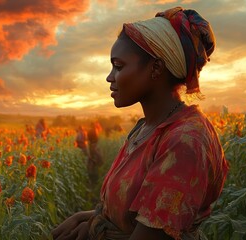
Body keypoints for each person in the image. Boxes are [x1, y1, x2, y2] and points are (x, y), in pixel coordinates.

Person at [52, 7, 229, 240]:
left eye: (119, 65)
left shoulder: (185, 141)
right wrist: (88, 218)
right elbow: (133, 212)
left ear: (155, 68)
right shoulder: (146, 128)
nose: (109, 77)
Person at [87, 121, 104, 187]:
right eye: (94, 125)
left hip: (92, 146)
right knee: (96, 161)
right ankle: (94, 179)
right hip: (93, 146)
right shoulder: (93, 131)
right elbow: (95, 140)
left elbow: (89, 140)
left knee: (92, 161)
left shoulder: (91, 131)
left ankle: (93, 179)